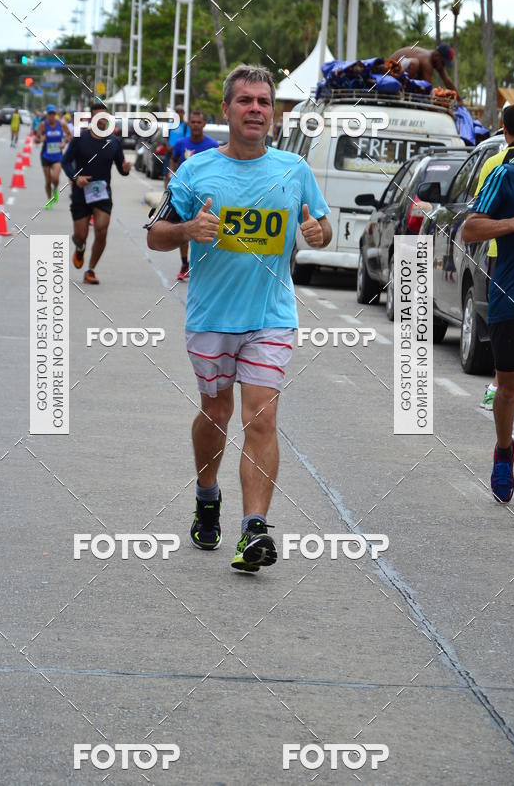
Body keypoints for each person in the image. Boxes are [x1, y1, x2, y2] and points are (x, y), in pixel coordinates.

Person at [146, 64, 332, 571]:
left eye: (264, 102)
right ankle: (208, 496)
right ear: (227, 110)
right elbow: (154, 236)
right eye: (245, 100)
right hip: (210, 317)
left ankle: (254, 530)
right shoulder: (195, 171)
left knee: (262, 416)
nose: (255, 109)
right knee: (216, 412)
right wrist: (188, 229)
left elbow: (322, 225)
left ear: (273, 112)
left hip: (271, 316)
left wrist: (319, 236)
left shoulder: (294, 170)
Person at [462, 109, 514, 503]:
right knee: (508, 388)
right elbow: (469, 228)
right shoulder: (507, 175)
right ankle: (504, 450)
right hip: (512, 297)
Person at [474, 104, 514, 410]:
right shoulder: (503, 169)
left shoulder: (492, 159)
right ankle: (499, 387)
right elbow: (478, 215)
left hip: (496, 255)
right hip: (506, 254)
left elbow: (475, 200)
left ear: (503, 128)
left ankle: (505, 386)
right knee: (509, 330)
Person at [62, 104, 132, 285]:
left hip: (102, 193)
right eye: (98, 117)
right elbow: (66, 162)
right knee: (80, 235)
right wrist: (76, 177)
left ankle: (91, 269)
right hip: (80, 192)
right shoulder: (79, 138)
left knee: (101, 230)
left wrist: (125, 169)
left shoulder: (114, 142)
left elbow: (121, 168)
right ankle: (79, 247)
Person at [165, 109, 219, 281]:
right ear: (189, 124)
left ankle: (205, 265)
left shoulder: (212, 146)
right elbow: (173, 160)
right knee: (186, 228)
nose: (196, 125)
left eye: (199, 122)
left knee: (205, 229)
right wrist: (170, 175)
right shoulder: (181, 143)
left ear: (204, 124)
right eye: (193, 122)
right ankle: (184, 264)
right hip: (186, 194)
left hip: (206, 197)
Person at [35, 104, 72, 208]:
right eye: (50, 114)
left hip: (57, 155)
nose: (51, 116)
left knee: (55, 177)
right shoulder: (42, 125)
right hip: (45, 155)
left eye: (53, 114)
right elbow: (36, 139)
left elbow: (70, 135)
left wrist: (64, 142)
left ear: (55, 115)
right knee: (47, 181)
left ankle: (55, 189)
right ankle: (49, 200)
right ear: (47, 115)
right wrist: (40, 139)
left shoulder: (61, 124)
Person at [388, 44, 460, 97]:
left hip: (399, 74)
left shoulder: (436, 60)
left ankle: (407, 93)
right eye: (443, 63)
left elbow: (447, 80)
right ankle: (401, 94)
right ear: (437, 56)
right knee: (414, 64)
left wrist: (459, 101)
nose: (443, 67)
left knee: (421, 84)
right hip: (390, 74)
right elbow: (429, 90)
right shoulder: (427, 61)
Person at [164, 104, 189, 180]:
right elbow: (166, 137)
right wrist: (168, 146)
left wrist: (175, 147)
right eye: (177, 112)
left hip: (180, 153)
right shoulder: (170, 124)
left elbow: (186, 139)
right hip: (169, 152)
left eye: (181, 112)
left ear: (184, 113)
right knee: (168, 174)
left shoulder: (186, 126)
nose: (179, 114)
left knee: (179, 174)